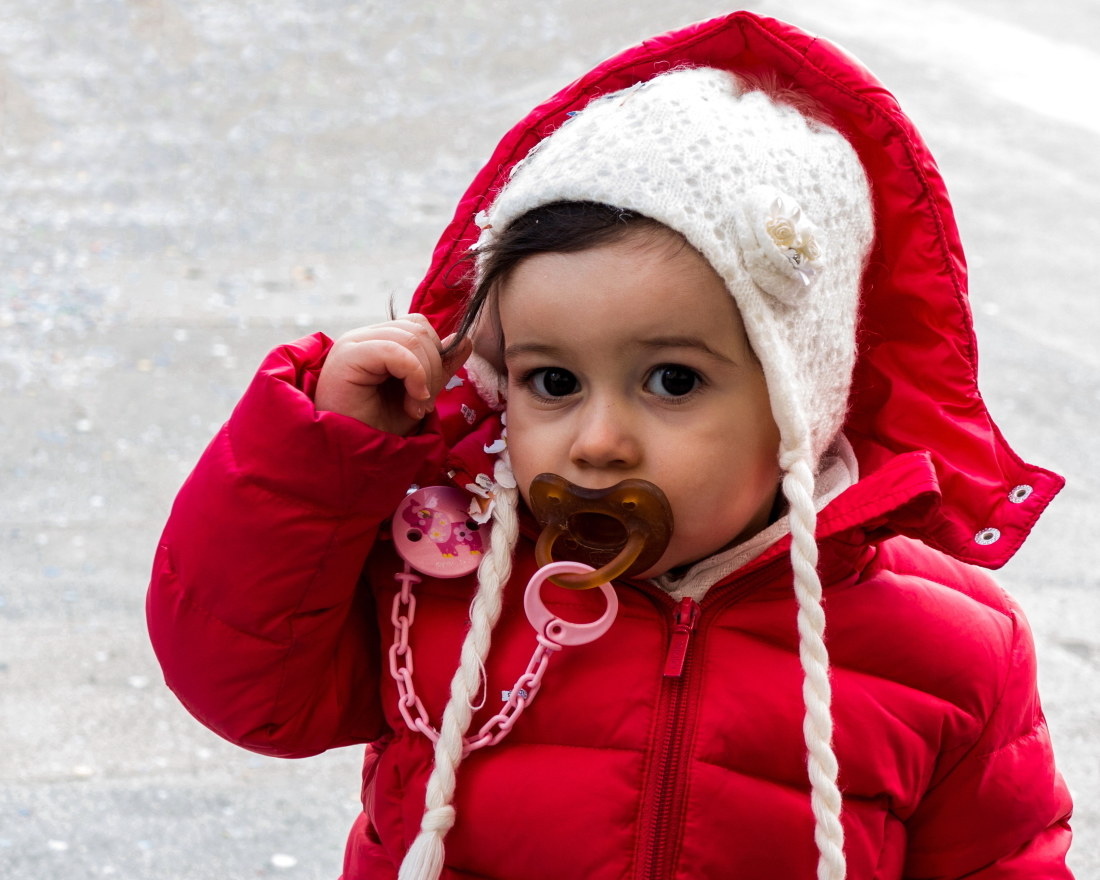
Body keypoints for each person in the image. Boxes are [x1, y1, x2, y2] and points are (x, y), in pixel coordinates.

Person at [146, 11, 1075, 880]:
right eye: (553, 382)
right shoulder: (439, 572)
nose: (597, 441)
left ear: (804, 398)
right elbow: (244, 683)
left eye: (672, 381)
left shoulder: (948, 649)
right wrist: (327, 451)